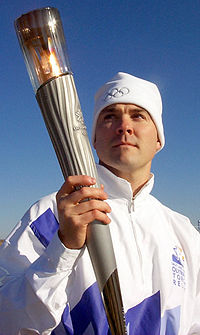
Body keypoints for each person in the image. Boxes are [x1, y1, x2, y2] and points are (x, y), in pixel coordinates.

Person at [0, 72, 199, 335]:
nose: (124, 126)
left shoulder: (182, 231)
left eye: (138, 115)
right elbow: (8, 320)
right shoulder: (53, 213)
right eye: (109, 116)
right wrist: (63, 247)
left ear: (159, 139)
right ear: (93, 139)